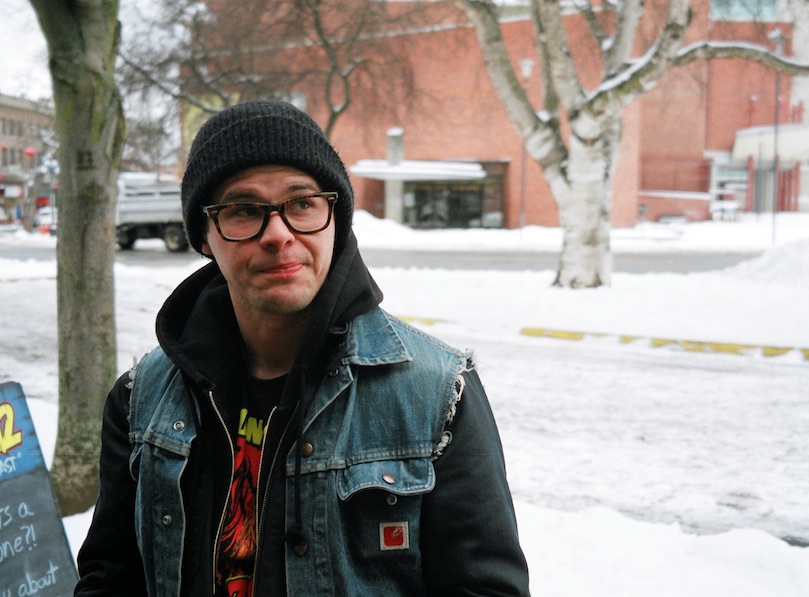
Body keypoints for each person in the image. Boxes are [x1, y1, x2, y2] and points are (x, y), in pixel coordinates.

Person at [74, 100, 530, 596]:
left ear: (336, 219)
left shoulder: (436, 394)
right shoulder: (141, 401)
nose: (278, 234)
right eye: (243, 210)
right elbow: (109, 580)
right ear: (205, 235)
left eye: (302, 204)